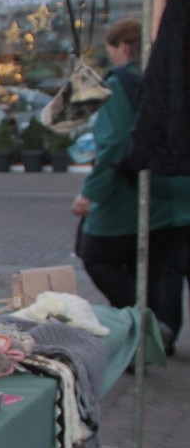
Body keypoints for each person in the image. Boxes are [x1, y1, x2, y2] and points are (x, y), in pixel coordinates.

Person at [71, 18, 190, 345]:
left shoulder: (121, 82)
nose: (112, 56)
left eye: (111, 49)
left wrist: (91, 193)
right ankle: (148, 340)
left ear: (123, 47)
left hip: (140, 189)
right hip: (177, 194)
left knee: (97, 255)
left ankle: (147, 327)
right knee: (152, 268)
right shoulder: (170, 78)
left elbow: (117, 142)